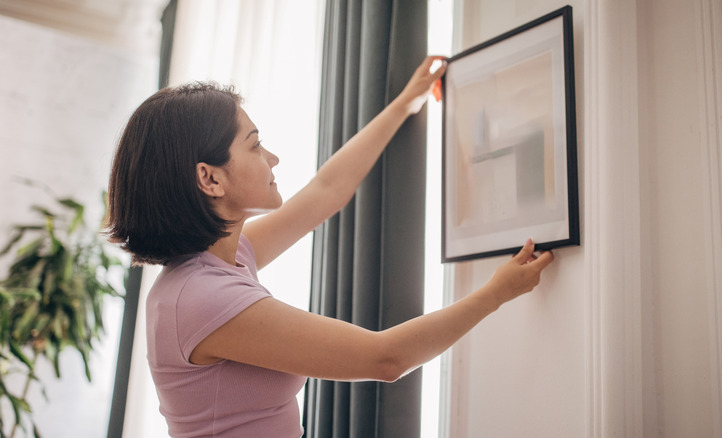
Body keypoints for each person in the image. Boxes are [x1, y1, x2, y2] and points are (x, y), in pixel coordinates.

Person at [105, 56, 554, 437]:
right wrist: (496, 293)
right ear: (210, 178)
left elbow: (326, 190)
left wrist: (405, 103)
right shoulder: (202, 297)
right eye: (256, 146)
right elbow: (386, 357)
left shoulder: (219, 260)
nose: (273, 159)